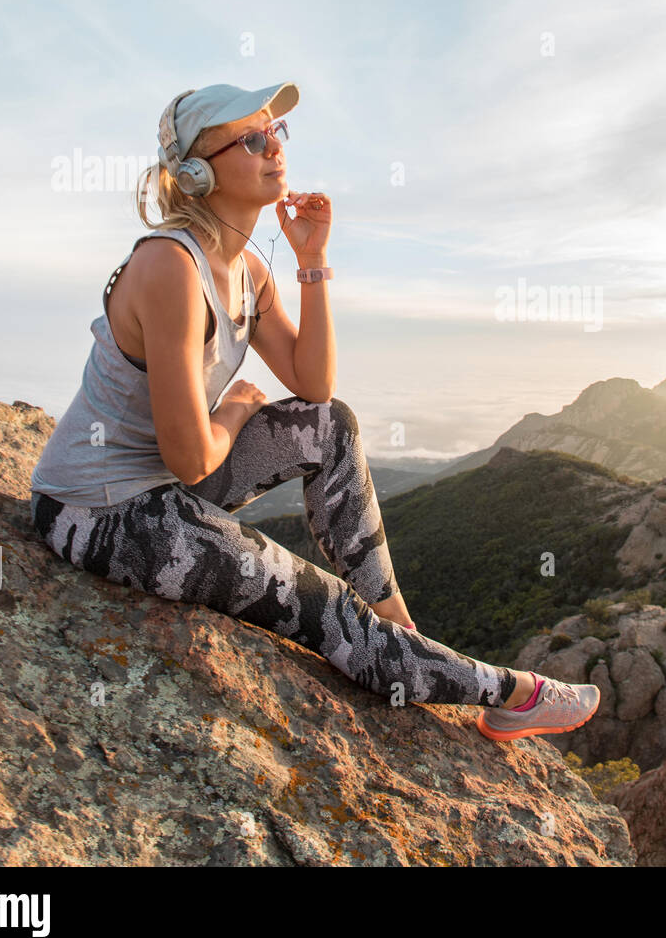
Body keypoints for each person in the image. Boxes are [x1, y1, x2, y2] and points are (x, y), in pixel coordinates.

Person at [29, 81, 599, 743]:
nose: (276, 148)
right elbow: (190, 457)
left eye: (278, 133)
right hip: (96, 509)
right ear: (196, 170)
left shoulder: (246, 269)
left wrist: (313, 259)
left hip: (170, 484)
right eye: (253, 138)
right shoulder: (170, 267)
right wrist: (239, 408)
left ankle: (397, 629)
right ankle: (510, 693)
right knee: (322, 603)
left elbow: (315, 385)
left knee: (332, 427)